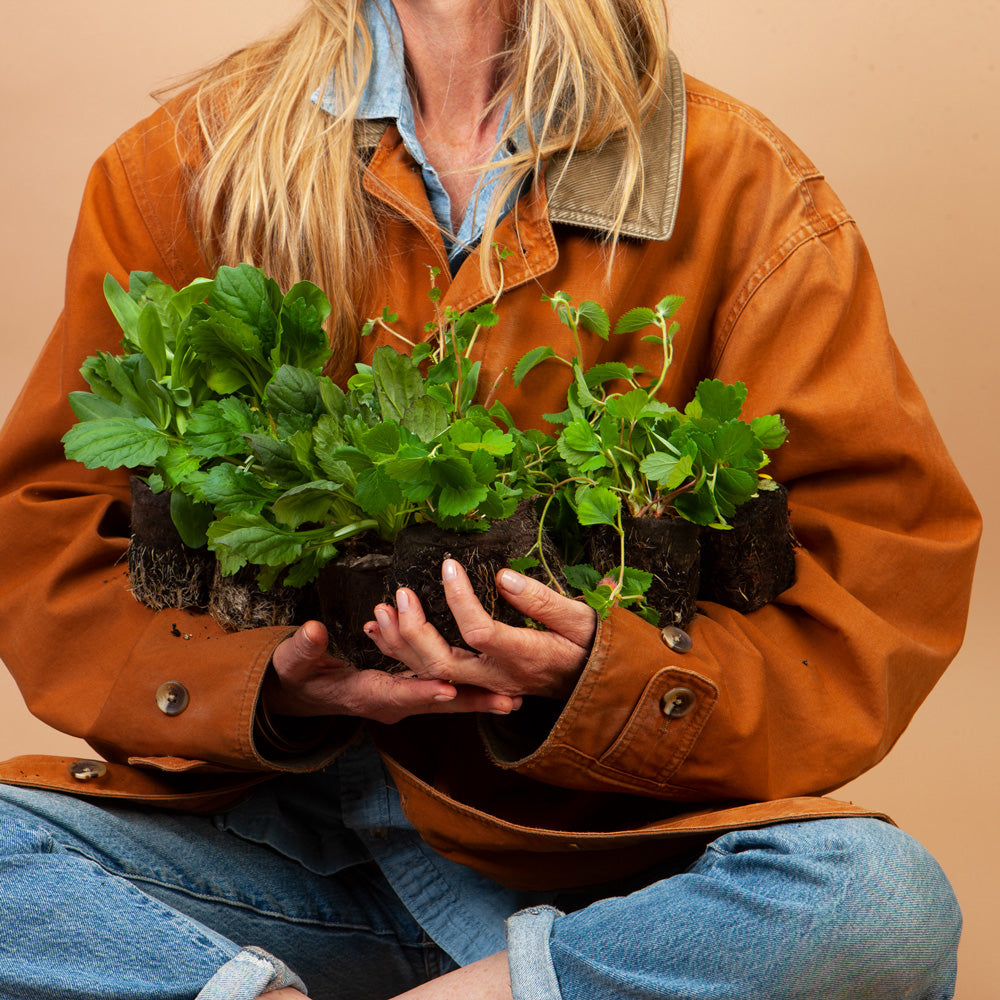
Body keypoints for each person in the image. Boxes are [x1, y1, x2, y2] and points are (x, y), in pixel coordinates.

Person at [0, 0, 981, 997]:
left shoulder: (746, 190)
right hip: (275, 846)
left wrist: (610, 679)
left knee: (874, 903)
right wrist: (268, 686)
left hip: (603, 869)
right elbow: (49, 538)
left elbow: (880, 573)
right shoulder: (187, 163)